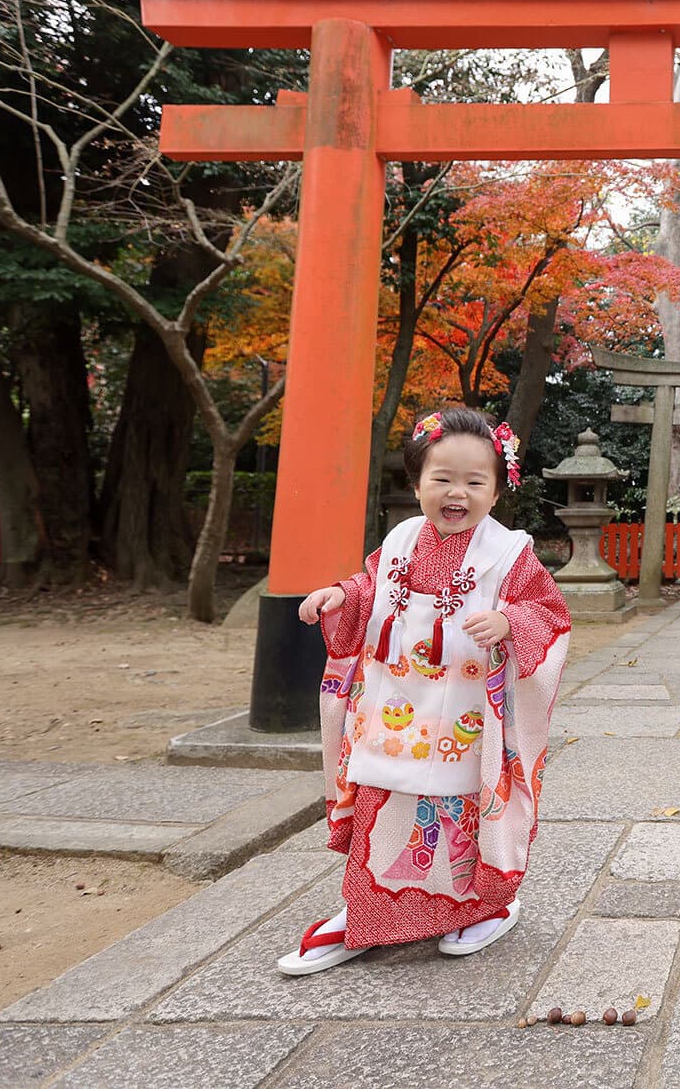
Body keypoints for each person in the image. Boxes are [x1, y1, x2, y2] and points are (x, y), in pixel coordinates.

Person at [276, 406, 571, 975]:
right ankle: (365, 911)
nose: (456, 492)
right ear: (417, 482)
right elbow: (370, 587)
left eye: (473, 481)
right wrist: (342, 596)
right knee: (381, 803)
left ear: (496, 489)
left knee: (462, 812)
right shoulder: (400, 540)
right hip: (393, 706)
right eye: (441, 478)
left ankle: (487, 905)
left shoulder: (509, 552)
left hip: (465, 718)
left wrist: (511, 622)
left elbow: (548, 612)